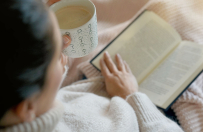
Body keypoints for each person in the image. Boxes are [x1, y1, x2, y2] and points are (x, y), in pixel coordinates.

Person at [0, 0, 183, 131]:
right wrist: (132, 96)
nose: (64, 52)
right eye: (57, 55)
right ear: (27, 108)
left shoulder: (18, 108)